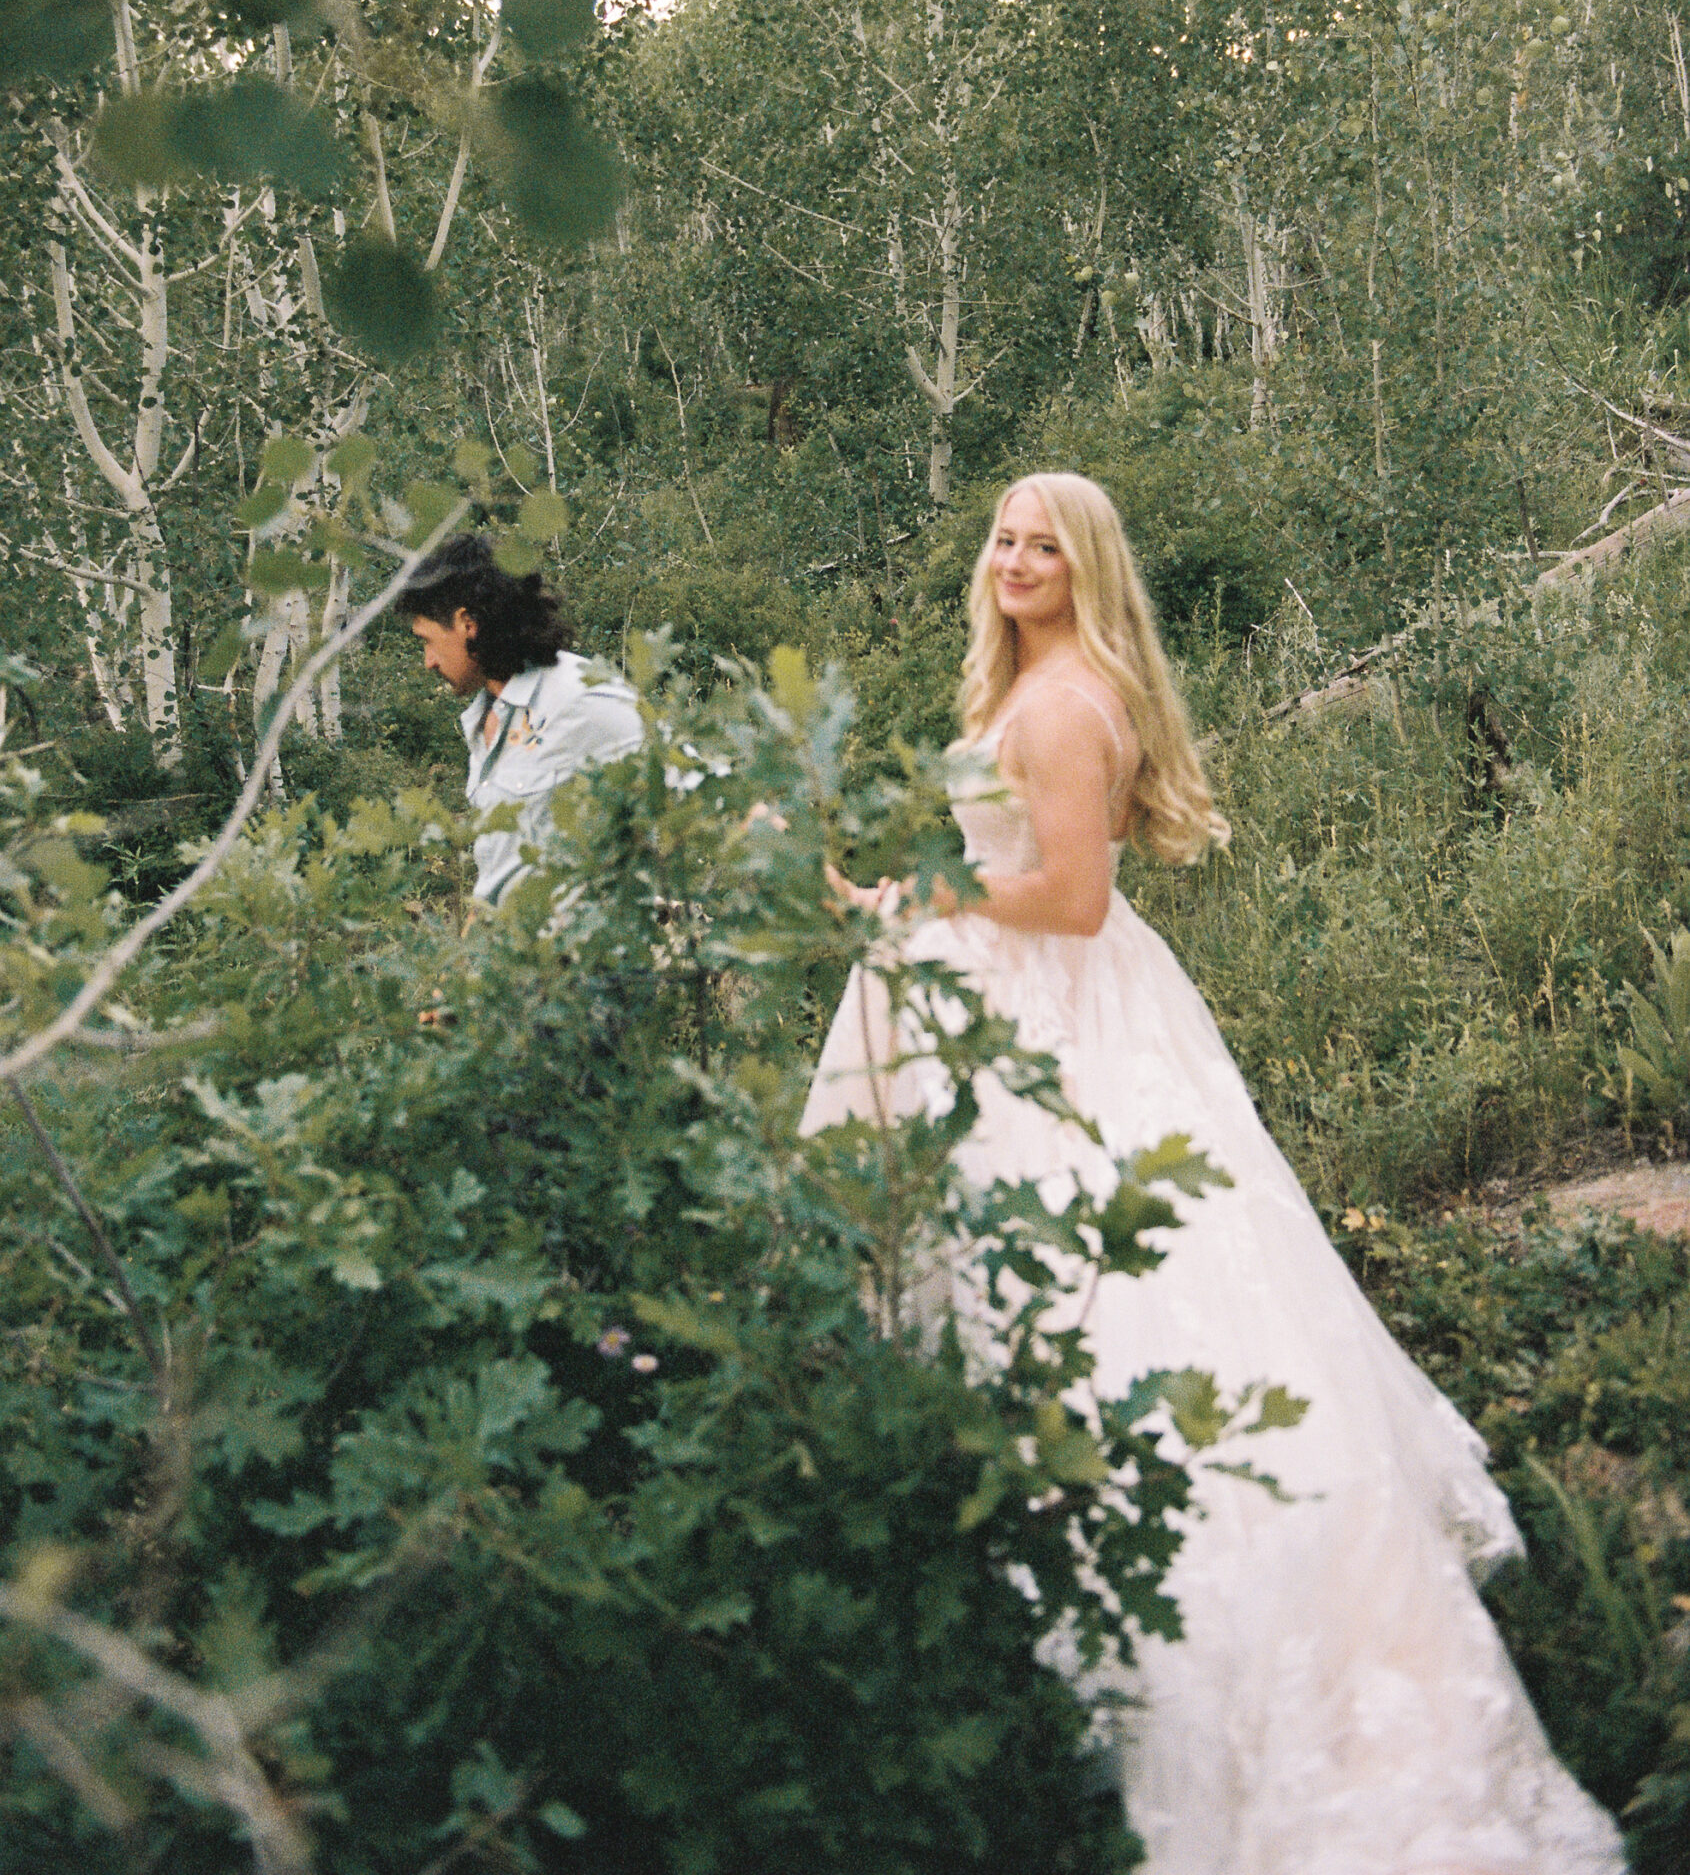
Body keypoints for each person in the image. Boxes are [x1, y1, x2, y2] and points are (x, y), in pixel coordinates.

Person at [803, 472, 1623, 1875]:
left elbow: (1069, 899)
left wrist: (924, 900)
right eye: (1002, 538)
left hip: (1055, 1008)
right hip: (1016, 993)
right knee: (1054, 1289)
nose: (1013, 559)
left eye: (1041, 546)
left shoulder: (1064, 705)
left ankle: (1199, 1630)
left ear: (1085, 566)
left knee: (1110, 1295)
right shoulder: (1039, 682)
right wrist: (903, 900)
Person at [408, 533, 641, 908]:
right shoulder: (486, 718)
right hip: (518, 959)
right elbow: (501, 875)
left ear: (468, 624)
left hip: (597, 960)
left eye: (428, 641)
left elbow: (699, 784)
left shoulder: (582, 696)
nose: (429, 661)